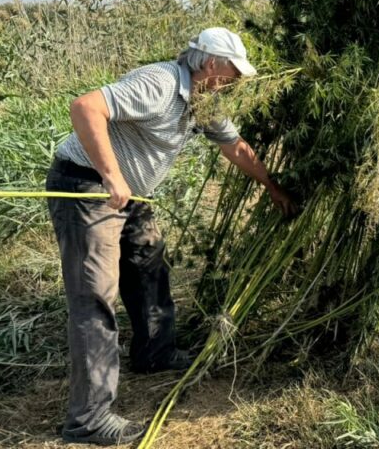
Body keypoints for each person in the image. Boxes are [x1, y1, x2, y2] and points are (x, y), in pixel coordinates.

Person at [45, 27, 294, 445]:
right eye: (233, 72)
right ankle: (88, 418)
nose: (236, 82)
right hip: (87, 189)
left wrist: (272, 187)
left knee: (148, 268)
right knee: (94, 298)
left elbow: (234, 146)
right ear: (211, 64)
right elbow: (85, 107)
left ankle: (155, 353)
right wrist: (112, 176)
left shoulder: (202, 102)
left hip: (131, 194)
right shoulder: (159, 83)